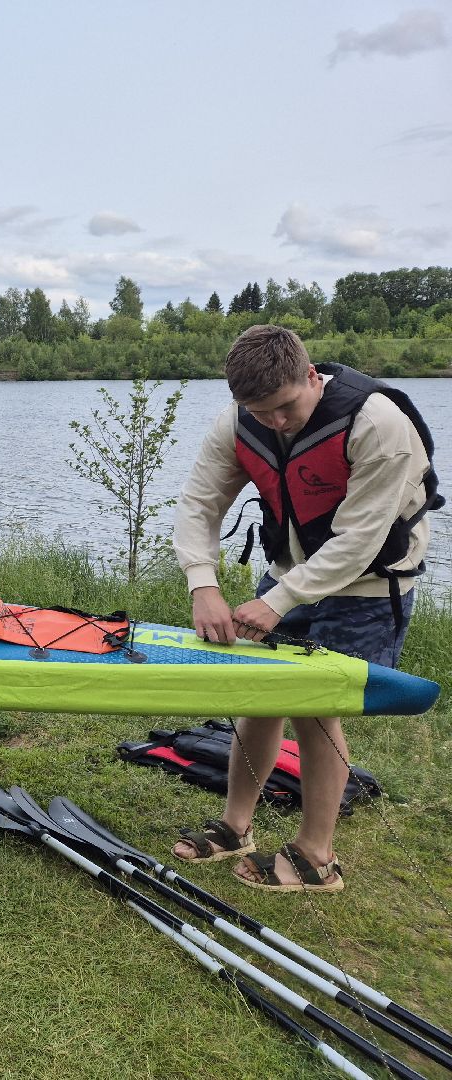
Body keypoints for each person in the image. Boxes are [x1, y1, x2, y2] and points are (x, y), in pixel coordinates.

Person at [170, 324, 437, 892]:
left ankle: (317, 858)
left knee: (316, 708)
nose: (276, 423)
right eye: (259, 412)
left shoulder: (379, 425)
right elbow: (199, 503)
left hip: (368, 583)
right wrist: (203, 583)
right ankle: (236, 826)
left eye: (285, 407)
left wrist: (278, 599)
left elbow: (359, 539)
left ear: (312, 376)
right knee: (262, 693)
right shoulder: (239, 421)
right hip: (290, 574)